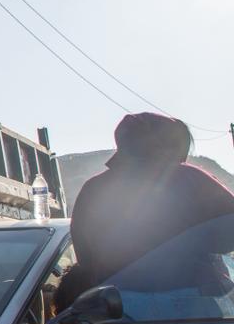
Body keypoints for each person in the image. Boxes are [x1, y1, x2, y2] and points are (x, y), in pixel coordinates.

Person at [56, 112, 234, 311]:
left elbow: (85, 258)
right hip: (193, 299)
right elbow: (229, 231)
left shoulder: (93, 188)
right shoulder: (191, 178)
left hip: (120, 306)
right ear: (167, 143)